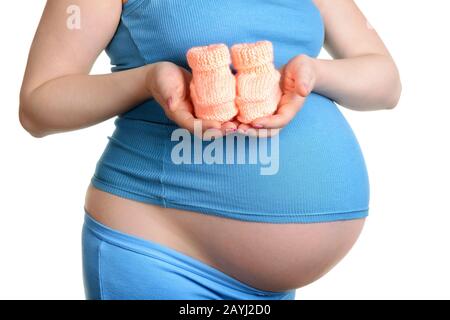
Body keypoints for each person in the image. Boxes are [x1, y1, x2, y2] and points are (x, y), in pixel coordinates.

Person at [19, 0, 401, 300]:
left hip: (271, 286)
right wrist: (147, 80)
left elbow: (385, 83)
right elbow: (39, 106)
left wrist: (313, 72)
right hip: (162, 253)